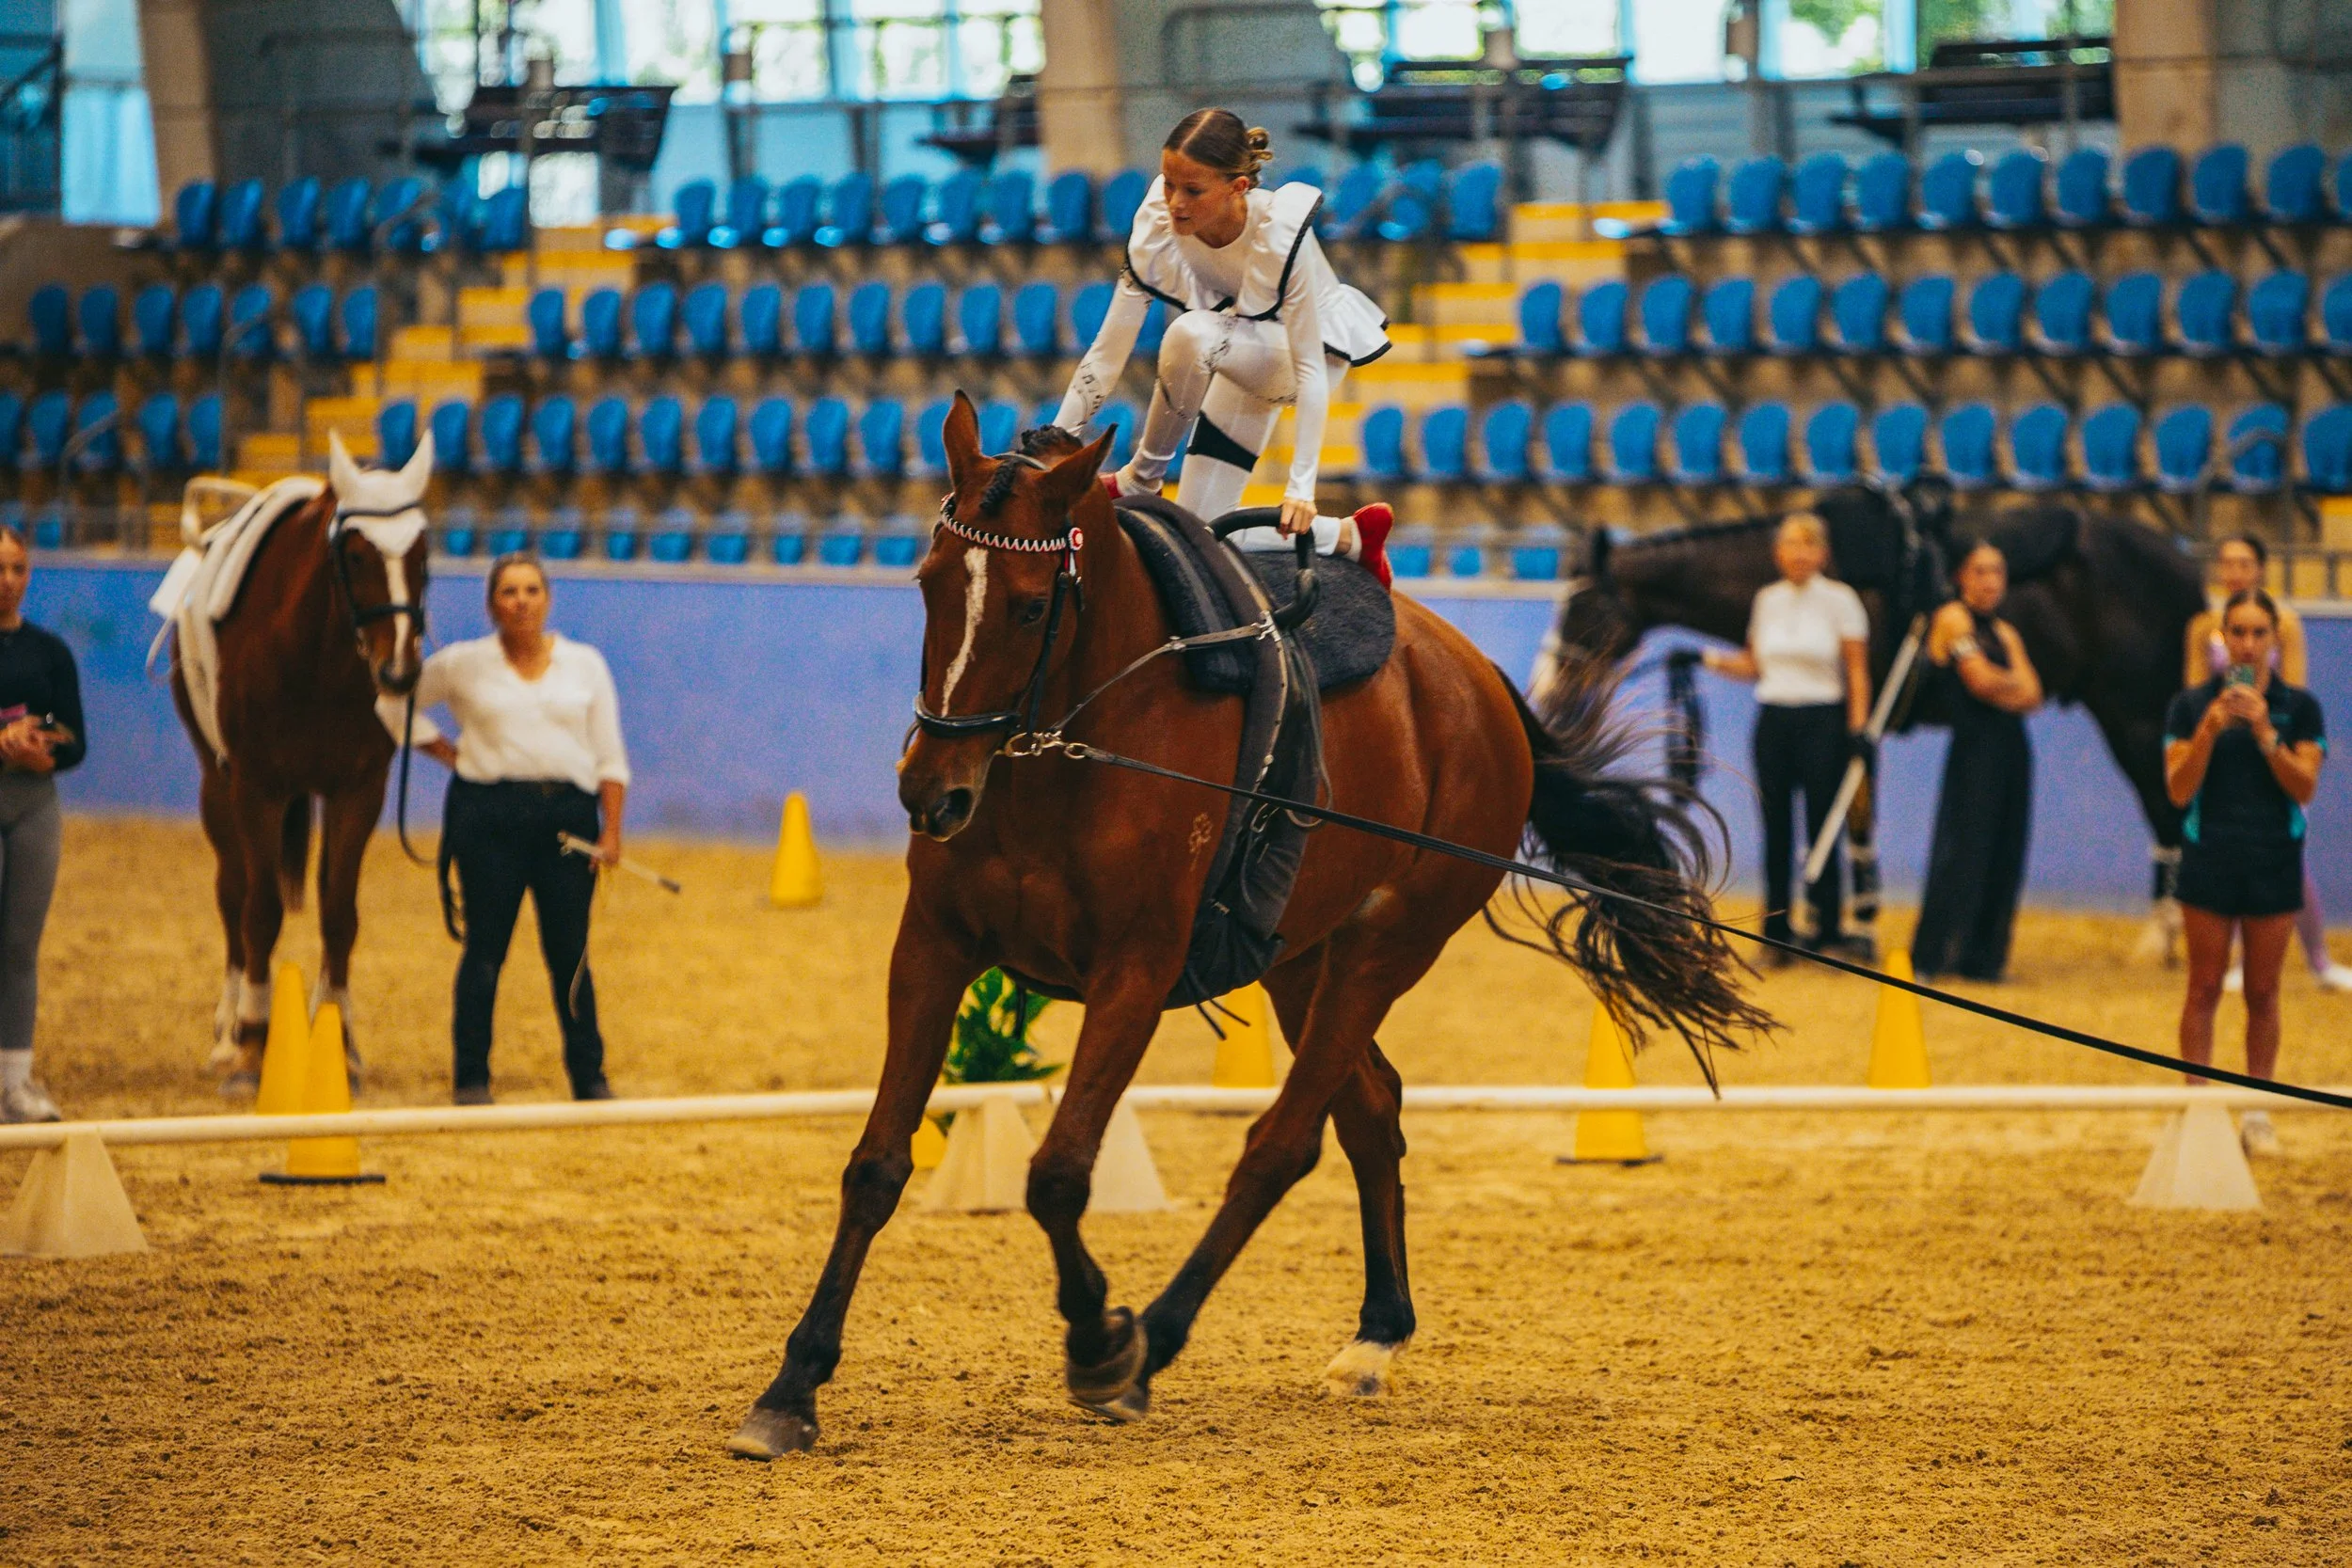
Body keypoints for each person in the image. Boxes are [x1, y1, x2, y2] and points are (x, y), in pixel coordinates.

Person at [1055, 107, 1398, 584]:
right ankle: (1349, 538)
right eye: (1169, 182)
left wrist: (1301, 487)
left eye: (1193, 190)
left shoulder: (1279, 232)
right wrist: (1056, 442)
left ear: (1239, 187)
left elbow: (1309, 371)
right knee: (1198, 531)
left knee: (1191, 332)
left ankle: (1142, 477)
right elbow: (1107, 350)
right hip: (1241, 348)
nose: (1175, 202)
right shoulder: (1160, 223)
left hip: (1307, 356)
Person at [396, 556, 628, 1104]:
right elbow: (393, 702)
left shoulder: (586, 665)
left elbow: (610, 755)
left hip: (569, 822)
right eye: (508, 591)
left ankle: (589, 1076)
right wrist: (447, 753)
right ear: (491, 604)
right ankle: (472, 1078)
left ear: (546, 599)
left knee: (570, 952)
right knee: (484, 950)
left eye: (530, 590)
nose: (521, 601)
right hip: (489, 821)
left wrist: (612, 831)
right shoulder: (461, 664)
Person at [2165, 587, 2325, 1157]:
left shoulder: (2300, 708)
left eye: (2260, 633)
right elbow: (2178, 789)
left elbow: (2304, 785)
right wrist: (2209, 730)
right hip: (2208, 856)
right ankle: (2196, 1107)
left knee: (2262, 991)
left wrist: (2264, 733)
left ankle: (2257, 1108)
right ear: (2221, 638)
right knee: (2203, 986)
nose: (2249, 644)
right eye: (2239, 632)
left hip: (2273, 861)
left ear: (2274, 641)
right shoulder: (2190, 706)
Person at [2183, 534, 2352, 992]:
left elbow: (2294, 692)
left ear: (2261, 568)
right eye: (2227, 563)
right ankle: (2238, 958)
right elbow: (2194, 696)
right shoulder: (2202, 626)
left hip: (2274, 745)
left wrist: (2271, 730)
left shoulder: (2288, 625)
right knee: (2225, 856)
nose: (2235, 571)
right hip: (2223, 754)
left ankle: (2318, 958)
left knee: (2290, 862)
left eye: (2245, 563)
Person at [1699, 514, 1871, 958]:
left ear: (1822, 553)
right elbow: (1755, 664)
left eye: (1808, 545)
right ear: (1778, 553)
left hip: (1823, 720)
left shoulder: (1840, 600)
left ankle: (1828, 928)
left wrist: (1859, 729)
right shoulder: (1768, 600)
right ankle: (1776, 932)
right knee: (1775, 827)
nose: (1799, 553)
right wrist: (1706, 659)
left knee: (1822, 826)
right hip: (1774, 720)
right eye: (1791, 545)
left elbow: (1856, 668)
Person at [1911, 542, 2042, 982]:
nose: (1990, 581)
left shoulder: (2006, 632)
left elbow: (2034, 693)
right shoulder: (1952, 618)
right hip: (1973, 750)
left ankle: (1984, 958)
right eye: (1980, 571)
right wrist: (2010, 685)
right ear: (1961, 577)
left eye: (1997, 572)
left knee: (2006, 849)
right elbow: (1979, 681)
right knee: (1962, 849)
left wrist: (2004, 684)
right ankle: (1937, 952)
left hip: (2012, 750)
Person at [0, 528, 81, 1123]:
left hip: (34, 804)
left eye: (19, 569)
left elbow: (76, 739)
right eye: (0, 569)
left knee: (21, 948)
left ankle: (14, 1083)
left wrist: (44, 749)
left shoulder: (50, 652)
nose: (8, 582)